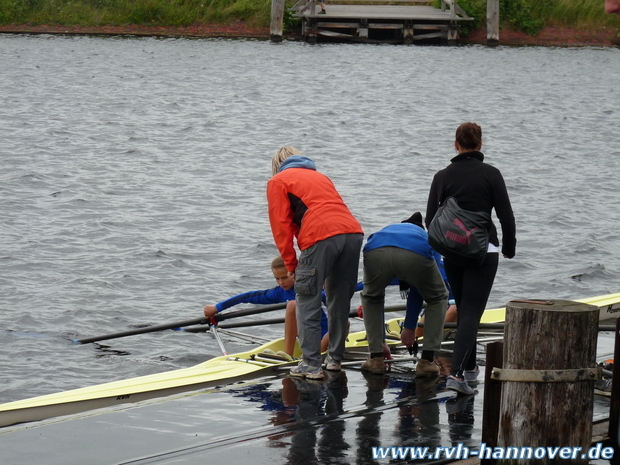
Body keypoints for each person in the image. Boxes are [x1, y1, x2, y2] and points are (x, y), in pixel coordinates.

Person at [425, 122, 516, 395]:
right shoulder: (491, 174)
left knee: (465, 309)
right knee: (471, 314)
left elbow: (431, 219)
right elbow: (505, 215)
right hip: (482, 252)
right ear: (480, 144)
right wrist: (509, 247)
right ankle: (457, 375)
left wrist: (447, 244)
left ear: (456, 144)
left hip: (453, 251)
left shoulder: (442, 176)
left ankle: (471, 368)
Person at [267, 146, 364, 380]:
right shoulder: (320, 177)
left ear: (277, 165)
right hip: (352, 232)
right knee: (339, 298)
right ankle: (335, 359)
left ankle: (310, 364)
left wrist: (292, 265)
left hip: (320, 234)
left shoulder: (278, 181)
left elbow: (281, 226)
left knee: (307, 298)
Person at [360, 212, 449, 376]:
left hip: (375, 250)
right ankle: (427, 361)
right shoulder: (426, 237)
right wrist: (409, 327)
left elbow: (374, 295)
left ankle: (375, 358)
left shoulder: (391, 229)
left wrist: (380, 342)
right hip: (415, 253)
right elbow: (420, 288)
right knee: (437, 298)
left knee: (372, 297)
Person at [203, 256, 329, 357]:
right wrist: (217, 307)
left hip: (327, 337)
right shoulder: (280, 292)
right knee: (293, 305)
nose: (281, 282)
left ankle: (290, 354)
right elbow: (248, 296)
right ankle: (290, 355)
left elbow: (332, 295)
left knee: (292, 305)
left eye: (284, 278)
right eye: (277, 278)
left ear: (294, 273)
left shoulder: (313, 288)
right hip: (308, 338)